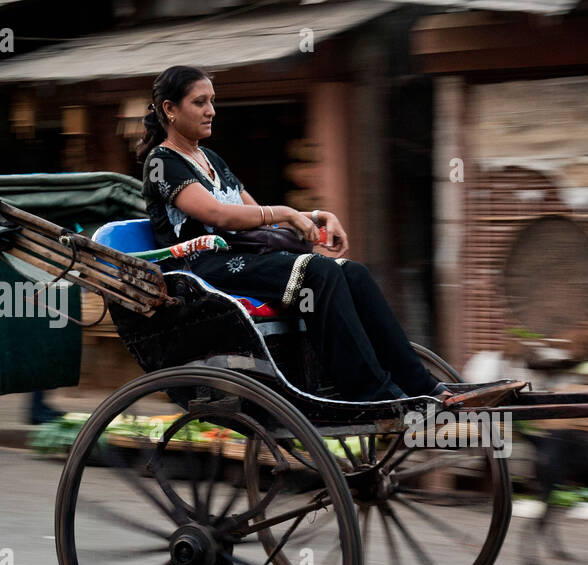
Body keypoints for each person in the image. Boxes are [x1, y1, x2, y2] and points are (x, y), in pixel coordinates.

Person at [136, 65, 450, 403]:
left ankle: (422, 386)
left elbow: (255, 215)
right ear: (170, 109)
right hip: (202, 268)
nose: (211, 111)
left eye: (212, 101)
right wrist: (287, 212)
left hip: (241, 257)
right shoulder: (162, 162)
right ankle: (366, 390)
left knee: (354, 273)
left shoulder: (210, 158)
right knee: (320, 271)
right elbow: (216, 214)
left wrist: (314, 217)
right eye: (199, 102)